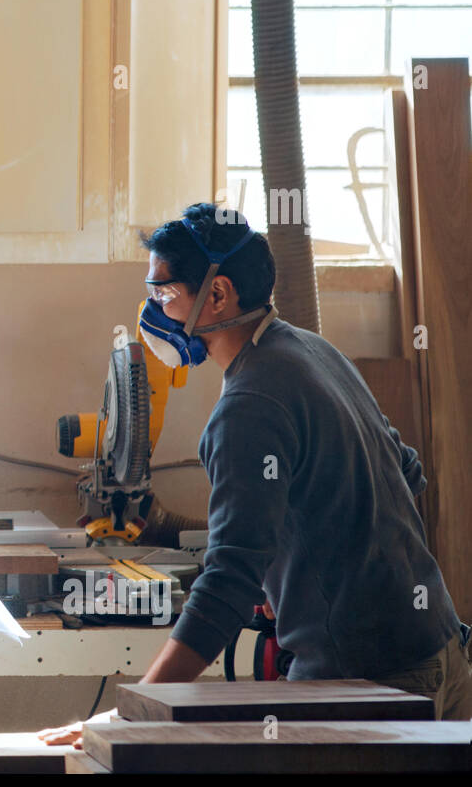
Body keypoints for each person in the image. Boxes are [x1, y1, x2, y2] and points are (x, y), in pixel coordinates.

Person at [39, 202, 471, 747]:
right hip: (442, 653)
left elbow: (227, 585)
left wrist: (134, 713)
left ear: (218, 294)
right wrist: (298, 574)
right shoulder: (314, 350)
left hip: (373, 686)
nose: (153, 312)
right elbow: (407, 475)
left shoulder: (249, 404)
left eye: (164, 295)